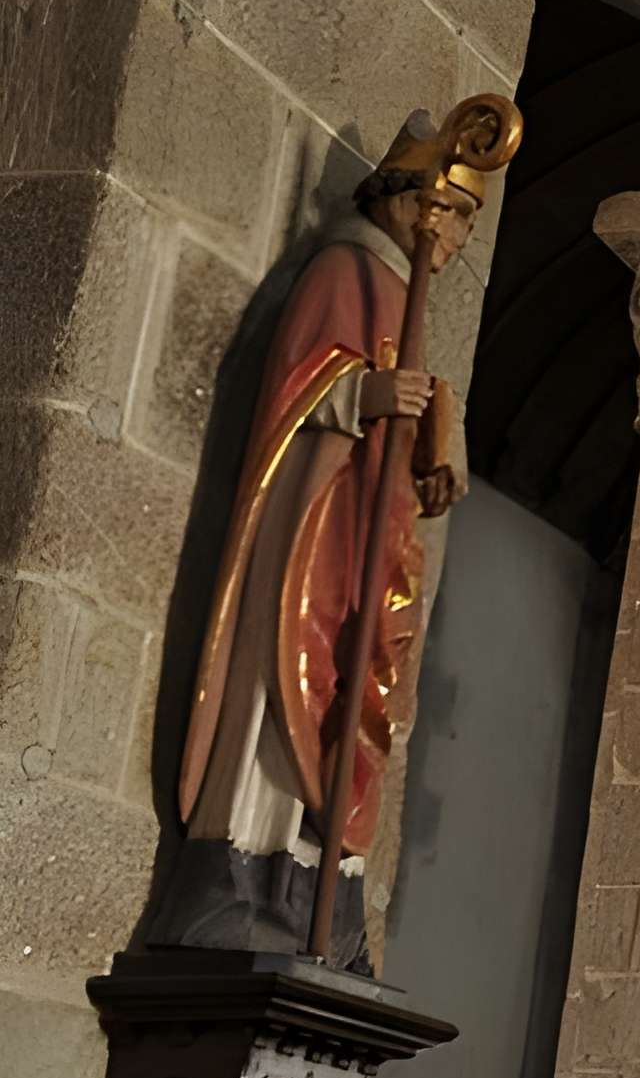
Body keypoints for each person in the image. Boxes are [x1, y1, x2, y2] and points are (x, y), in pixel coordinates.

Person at [158, 108, 500, 966]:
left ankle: (322, 894)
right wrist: (364, 396)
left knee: (358, 695)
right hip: (312, 534)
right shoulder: (346, 270)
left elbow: (403, 419)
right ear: (406, 201)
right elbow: (292, 394)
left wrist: (434, 455)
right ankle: (245, 872)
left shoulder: (401, 293)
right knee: (290, 685)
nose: (458, 237)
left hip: (371, 541)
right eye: (453, 213)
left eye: (467, 220)